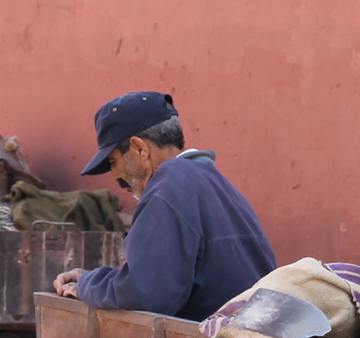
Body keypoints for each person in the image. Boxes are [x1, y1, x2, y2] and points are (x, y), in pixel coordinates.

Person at [52, 91, 276, 321]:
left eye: (113, 162)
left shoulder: (169, 181)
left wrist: (88, 284)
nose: (115, 176)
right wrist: (92, 281)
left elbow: (145, 292)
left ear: (140, 148)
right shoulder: (213, 181)